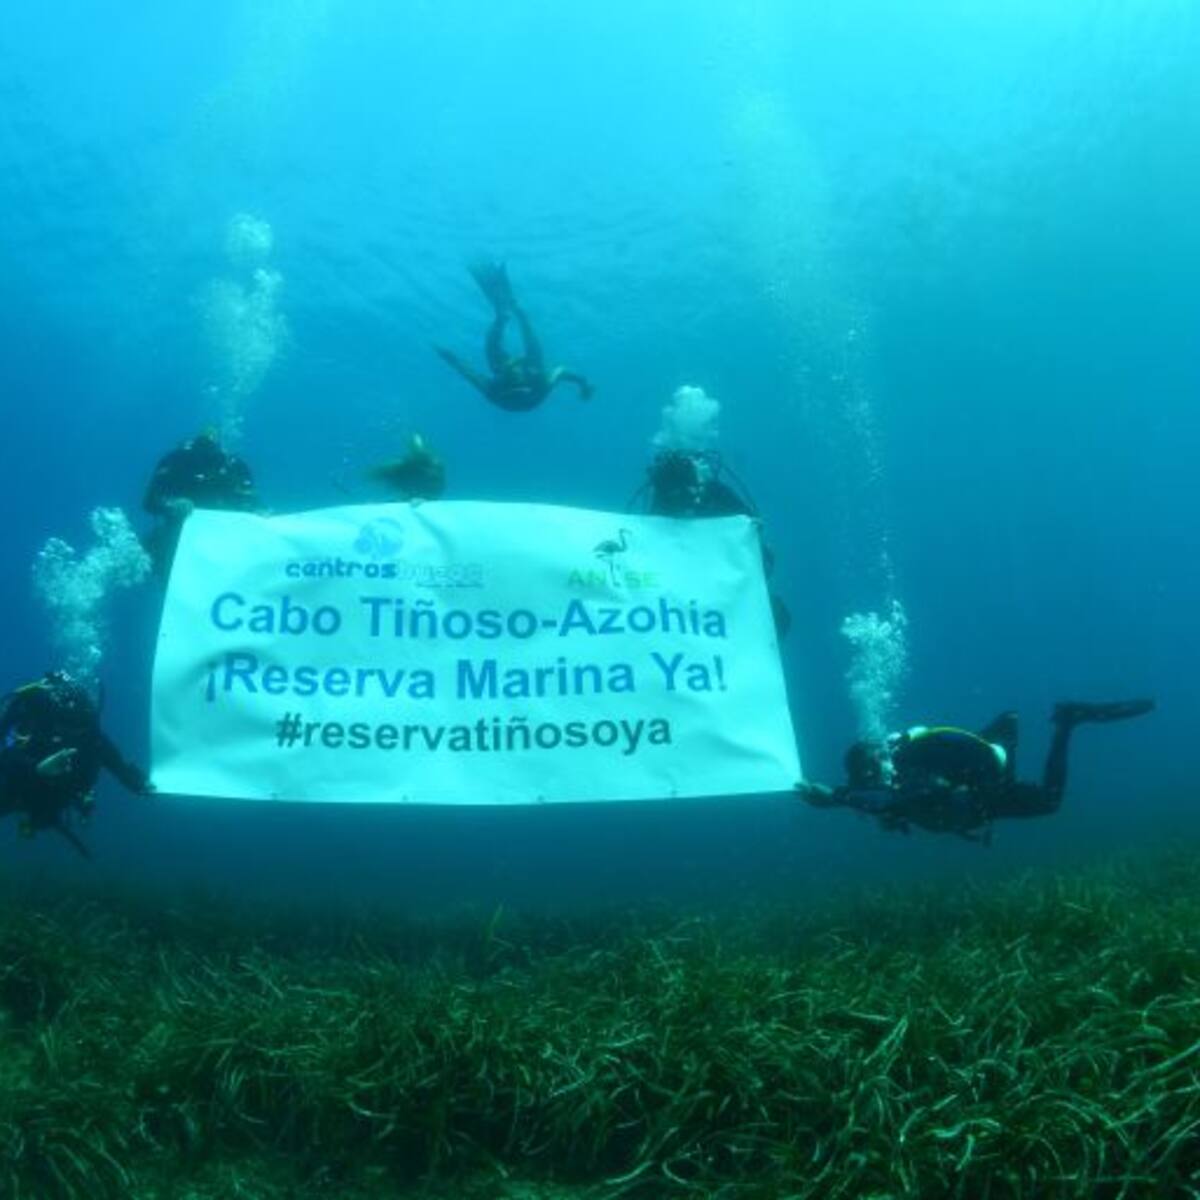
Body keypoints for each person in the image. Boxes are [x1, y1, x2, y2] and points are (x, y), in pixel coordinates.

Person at [801, 699, 1155, 842]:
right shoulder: (899, 773)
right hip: (972, 769)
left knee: (1050, 802)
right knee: (998, 743)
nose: (870, 785)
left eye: (867, 778)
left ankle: (1066, 723)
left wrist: (836, 796)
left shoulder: (907, 771)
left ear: (877, 764)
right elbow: (894, 800)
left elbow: (903, 797)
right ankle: (1007, 728)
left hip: (985, 780)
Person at [634, 449, 792, 638]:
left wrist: (752, 539)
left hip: (725, 584)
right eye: (675, 496)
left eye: (686, 493)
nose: (683, 502)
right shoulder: (662, 501)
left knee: (777, 618)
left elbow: (760, 554)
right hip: (682, 588)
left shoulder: (718, 495)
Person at [0, 671, 151, 856]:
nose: (75, 735)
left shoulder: (93, 737)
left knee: (44, 818)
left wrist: (140, 784)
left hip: (57, 799)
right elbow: (6, 753)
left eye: (82, 727)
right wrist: (37, 768)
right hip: (20, 790)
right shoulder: (34, 725)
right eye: (70, 725)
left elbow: (118, 766)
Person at [435, 261, 594, 412]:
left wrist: (449, 357)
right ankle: (515, 311)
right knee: (534, 357)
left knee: (495, 352)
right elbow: (561, 371)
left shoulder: (493, 390)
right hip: (531, 390)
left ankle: (502, 316)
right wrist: (583, 384)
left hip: (511, 393)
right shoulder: (539, 381)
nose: (515, 363)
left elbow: (468, 372)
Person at [142, 431, 259, 577]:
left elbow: (252, 503)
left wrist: (261, 514)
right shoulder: (177, 461)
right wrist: (173, 505)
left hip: (225, 541)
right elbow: (150, 501)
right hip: (178, 539)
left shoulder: (234, 467)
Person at [366, 433, 446, 501]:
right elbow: (375, 473)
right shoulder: (401, 465)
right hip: (410, 495)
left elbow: (437, 487)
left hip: (423, 496)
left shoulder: (434, 464)